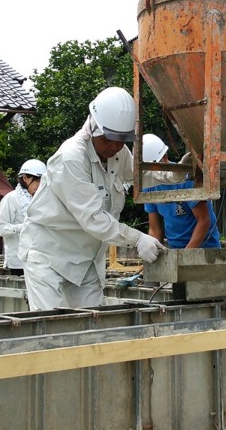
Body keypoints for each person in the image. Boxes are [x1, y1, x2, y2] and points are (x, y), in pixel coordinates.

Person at [18, 87, 166, 311]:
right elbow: (93, 218)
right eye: (110, 140)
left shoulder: (116, 151)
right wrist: (137, 239)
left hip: (85, 260)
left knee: (91, 325)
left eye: (121, 140)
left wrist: (175, 174)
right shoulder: (71, 158)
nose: (116, 147)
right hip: (49, 256)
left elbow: (139, 176)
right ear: (93, 126)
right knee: (51, 329)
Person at [141, 134, 221, 249]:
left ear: (165, 157)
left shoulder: (185, 178)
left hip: (204, 249)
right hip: (175, 249)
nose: (154, 174)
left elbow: (204, 220)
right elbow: (155, 229)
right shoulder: (149, 185)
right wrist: (152, 249)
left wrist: (186, 255)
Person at [0, 159, 46, 276]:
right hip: (18, 263)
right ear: (25, 178)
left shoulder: (40, 198)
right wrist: (25, 227)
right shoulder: (11, 198)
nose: (40, 185)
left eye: (42, 181)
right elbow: (0, 229)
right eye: (37, 180)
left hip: (39, 260)